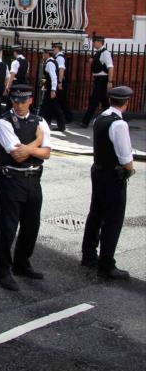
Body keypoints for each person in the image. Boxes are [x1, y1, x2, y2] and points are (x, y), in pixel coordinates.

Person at [0, 85, 53, 292]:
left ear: (31, 100)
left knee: (31, 225)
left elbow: (47, 153)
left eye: (23, 100)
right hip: (11, 179)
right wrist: (37, 141)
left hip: (33, 179)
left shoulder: (40, 120)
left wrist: (33, 149)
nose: (19, 105)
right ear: (11, 101)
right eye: (15, 101)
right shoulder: (4, 122)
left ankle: (22, 263)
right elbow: (17, 154)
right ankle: (3, 271)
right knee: (7, 229)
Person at [82, 86, 136, 280]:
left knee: (95, 213)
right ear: (126, 103)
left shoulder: (100, 118)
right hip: (113, 176)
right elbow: (125, 158)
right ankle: (107, 264)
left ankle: (88, 255)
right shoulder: (119, 125)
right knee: (113, 219)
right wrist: (130, 169)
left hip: (98, 171)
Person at [80, 35, 114, 127]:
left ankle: (85, 121)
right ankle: (113, 119)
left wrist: (110, 81)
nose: (93, 43)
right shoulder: (98, 53)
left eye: (95, 42)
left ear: (100, 42)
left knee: (94, 101)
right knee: (104, 102)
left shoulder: (105, 53)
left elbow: (110, 67)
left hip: (102, 80)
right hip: (98, 80)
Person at [39, 48, 66, 132]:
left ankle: (42, 124)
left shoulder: (50, 63)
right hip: (49, 88)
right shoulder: (51, 62)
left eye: (43, 53)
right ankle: (47, 123)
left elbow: (54, 77)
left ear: (47, 54)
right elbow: (45, 77)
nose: (42, 55)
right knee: (50, 107)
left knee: (50, 107)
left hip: (51, 89)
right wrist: (43, 87)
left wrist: (53, 90)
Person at [52, 42, 74, 123]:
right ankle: (67, 117)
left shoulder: (59, 58)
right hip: (60, 81)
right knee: (62, 100)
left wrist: (60, 82)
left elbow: (61, 70)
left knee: (61, 100)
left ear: (57, 48)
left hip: (60, 81)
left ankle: (68, 117)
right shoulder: (59, 57)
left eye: (53, 48)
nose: (53, 49)